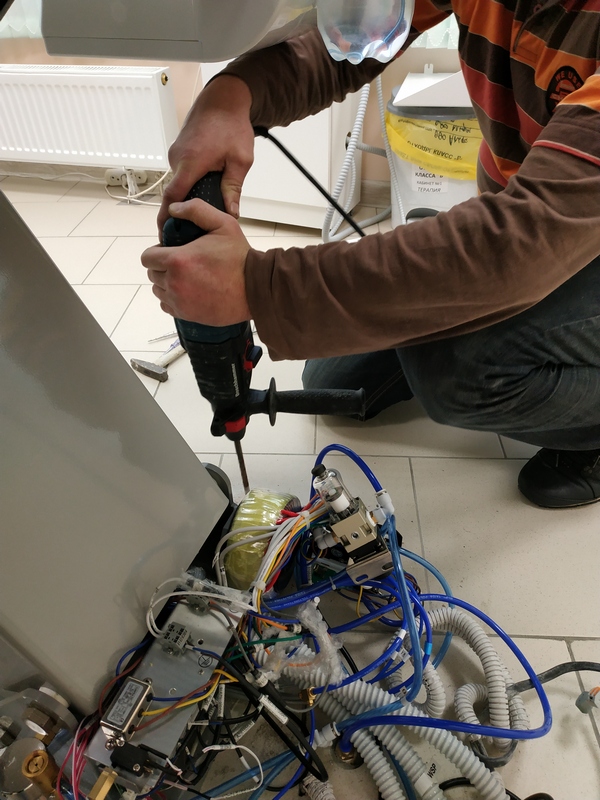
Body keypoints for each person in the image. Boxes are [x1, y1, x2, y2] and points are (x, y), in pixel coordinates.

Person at [141, 0, 600, 510]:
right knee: (333, 378)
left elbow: (522, 240)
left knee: (454, 369)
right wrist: (231, 94)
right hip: (532, 221)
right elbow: (349, 38)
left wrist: (260, 287)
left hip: (571, 245)